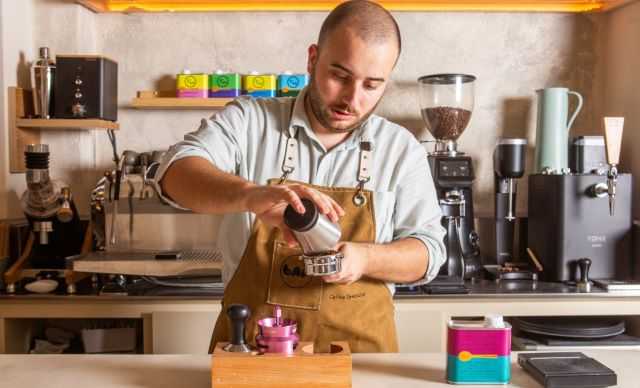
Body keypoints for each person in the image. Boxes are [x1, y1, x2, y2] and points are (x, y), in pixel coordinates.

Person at [155, 0, 445, 353]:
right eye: (339, 75)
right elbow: (175, 172)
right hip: (253, 356)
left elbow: (429, 253)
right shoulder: (251, 120)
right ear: (312, 59)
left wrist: (366, 259)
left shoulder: (401, 150)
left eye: (372, 85)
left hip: (361, 364)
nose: (352, 99)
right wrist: (249, 194)